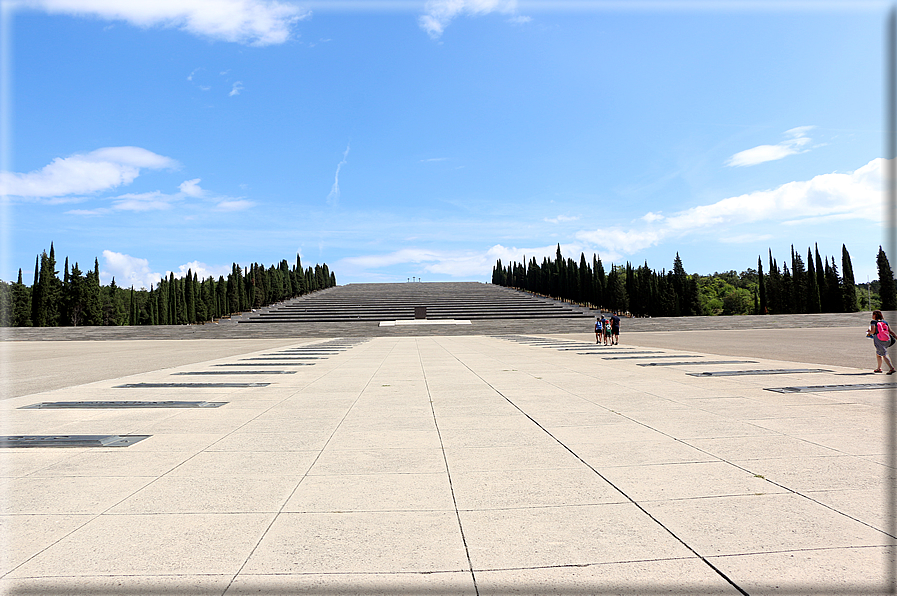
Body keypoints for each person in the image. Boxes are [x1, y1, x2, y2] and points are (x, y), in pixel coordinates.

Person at [867, 310, 896, 374]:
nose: (872, 316)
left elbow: (873, 331)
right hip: (887, 340)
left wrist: (869, 332)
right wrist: (896, 337)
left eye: (873, 314)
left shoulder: (873, 322)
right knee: (878, 354)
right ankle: (879, 368)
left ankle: (891, 368)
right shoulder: (884, 322)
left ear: (875, 315)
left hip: (879, 340)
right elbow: (890, 331)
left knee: (884, 354)